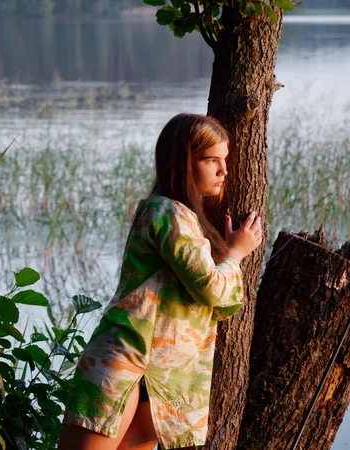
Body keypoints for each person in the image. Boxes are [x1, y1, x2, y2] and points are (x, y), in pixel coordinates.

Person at [57, 113, 262, 450]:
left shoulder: (186, 220)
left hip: (161, 381)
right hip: (126, 366)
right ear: (182, 163)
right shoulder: (166, 212)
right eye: (212, 160)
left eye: (225, 160)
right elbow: (215, 291)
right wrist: (236, 254)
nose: (224, 170)